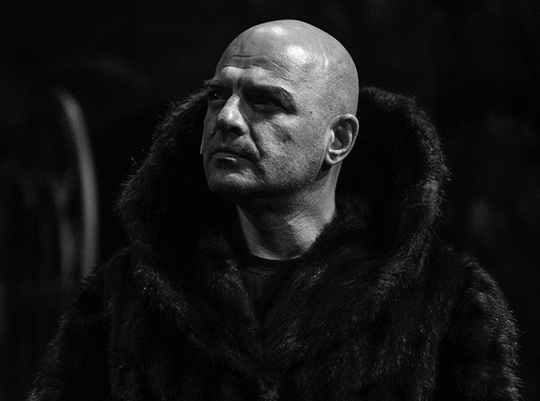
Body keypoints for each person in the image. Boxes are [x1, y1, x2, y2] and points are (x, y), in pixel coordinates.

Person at [29, 20, 520, 400]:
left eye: (265, 101)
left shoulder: (445, 301)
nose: (226, 118)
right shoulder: (125, 295)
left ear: (338, 139)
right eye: (217, 95)